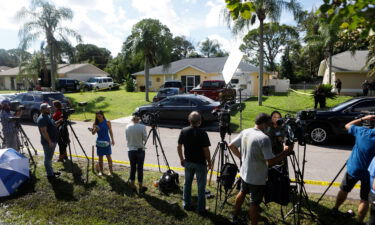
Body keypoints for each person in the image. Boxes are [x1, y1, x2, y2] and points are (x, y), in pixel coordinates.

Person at [229, 113, 293, 225]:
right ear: (264, 124)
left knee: (242, 191)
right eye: (268, 124)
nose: (269, 127)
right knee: (254, 203)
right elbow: (271, 162)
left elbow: (231, 146)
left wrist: (242, 158)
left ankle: (235, 214)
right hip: (257, 177)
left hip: (245, 172)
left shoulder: (246, 131)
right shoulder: (264, 139)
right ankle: (254, 222)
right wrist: (285, 152)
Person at [332, 115, 375, 225]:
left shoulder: (361, 131)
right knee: (365, 199)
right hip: (370, 174)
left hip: (354, 168)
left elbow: (347, 125)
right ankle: (359, 221)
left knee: (344, 189)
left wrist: (363, 118)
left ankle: (335, 209)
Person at [177, 111, 212, 215]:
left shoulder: (184, 131)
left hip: (188, 162)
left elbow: (179, 146)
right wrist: (209, 161)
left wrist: (181, 159)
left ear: (189, 121)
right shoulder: (203, 133)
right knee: (201, 186)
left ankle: (186, 204)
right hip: (200, 163)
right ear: (200, 122)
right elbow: (206, 150)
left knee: (187, 183)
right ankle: (201, 208)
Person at [125, 114, 148, 193]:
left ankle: (132, 185)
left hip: (131, 150)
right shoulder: (142, 127)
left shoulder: (127, 126)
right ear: (139, 118)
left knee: (132, 168)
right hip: (140, 150)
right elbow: (145, 139)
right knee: (140, 169)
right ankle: (140, 186)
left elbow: (127, 138)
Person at [37, 103, 60, 179]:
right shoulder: (41, 119)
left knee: (49, 158)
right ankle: (50, 175)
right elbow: (44, 132)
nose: (49, 109)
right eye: (47, 108)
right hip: (48, 142)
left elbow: (53, 125)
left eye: (49, 108)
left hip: (53, 140)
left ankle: (51, 172)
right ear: (43, 110)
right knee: (48, 158)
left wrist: (60, 121)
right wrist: (50, 142)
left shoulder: (48, 116)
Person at [91, 111, 115, 176]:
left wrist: (112, 140)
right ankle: (101, 171)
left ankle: (110, 171)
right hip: (99, 142)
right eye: (97, 116)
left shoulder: (107, 122)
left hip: (106, 142)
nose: (98, 118)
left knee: (108, 157)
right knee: (100, 158)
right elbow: (93, 133)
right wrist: (95, 129)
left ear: (102, 115)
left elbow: (110, 131)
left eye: (99, 116)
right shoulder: (95, 123)